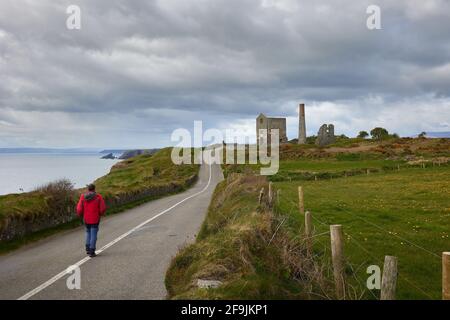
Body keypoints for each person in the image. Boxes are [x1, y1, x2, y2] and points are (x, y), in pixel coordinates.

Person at [76, 184, 106, 257]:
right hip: (95, 218)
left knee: (88, 232)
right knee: (93, 234)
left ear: (88, 189)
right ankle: (92, 251)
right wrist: (100, 214)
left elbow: (79, 209)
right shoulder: (98, 197)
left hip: (86, 218)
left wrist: (80, 214)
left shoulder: (83, 197)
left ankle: (88, 248)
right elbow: (103, 208)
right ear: (94, 189)